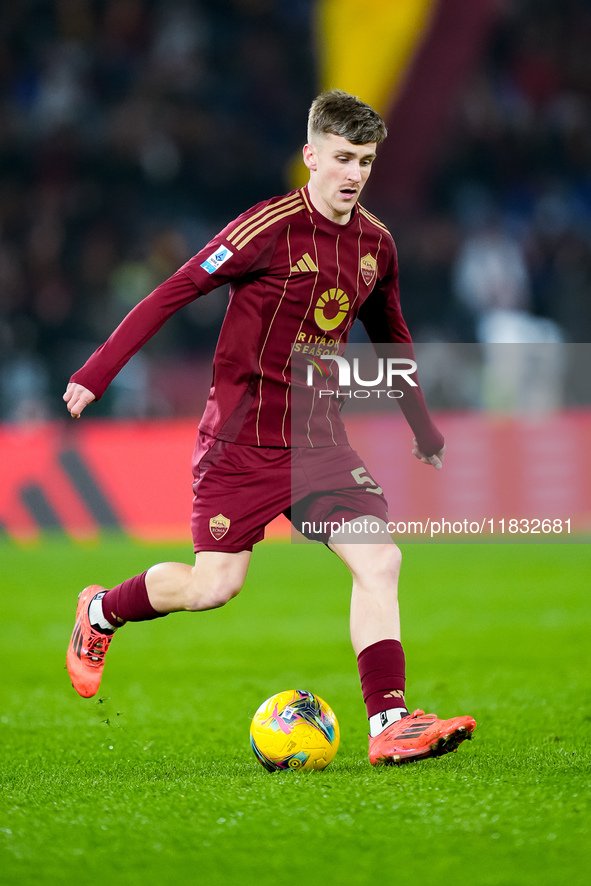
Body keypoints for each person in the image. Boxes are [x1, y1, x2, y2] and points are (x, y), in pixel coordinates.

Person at [64, 89, 476, 766]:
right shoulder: (267, 228)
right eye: (342, 158)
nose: (354, 175)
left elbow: (391, 336)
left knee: (380, 558)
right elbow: (174, 290)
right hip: (240, 441)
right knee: (212, 587)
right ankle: (101, 611)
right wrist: (97, 371)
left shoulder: (376, 244)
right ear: (310, 156)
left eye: (366, 161)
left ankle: (389, 724)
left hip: (317, 441)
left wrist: (421, 426)